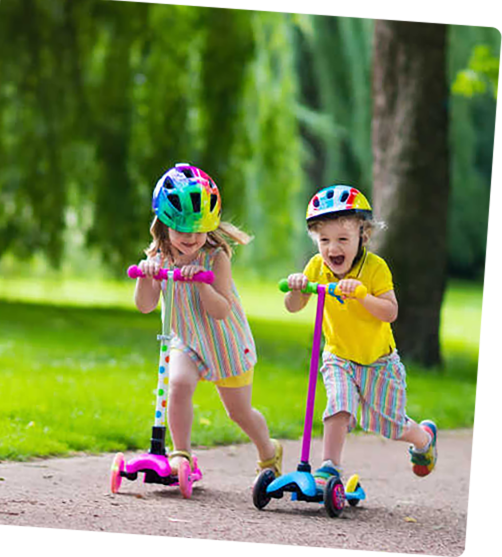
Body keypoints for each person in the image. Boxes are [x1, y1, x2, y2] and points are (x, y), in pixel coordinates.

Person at [134, 163, 282, 478]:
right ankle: (181, 454)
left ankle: (269, 451)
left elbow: (221, 310)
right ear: (164, 224)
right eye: (182, 229)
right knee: (178, 384)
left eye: (198, 229)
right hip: (187, 340)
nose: (191, 237)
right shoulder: (158, 257)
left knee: (239, 413)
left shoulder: (215, 257)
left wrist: (201, 282)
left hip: (225, 343)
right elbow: (145, 306)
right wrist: (145, 277)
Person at [284, 184, 437, 488]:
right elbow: (293, 307)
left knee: (390, 424)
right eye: (324, 240)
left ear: (362, 236)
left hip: (378, 361)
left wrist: (363, 296)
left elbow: (390, 311)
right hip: (338, 355)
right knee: (338, 404)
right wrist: (297, 288)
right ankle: (330, 466)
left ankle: (423, 438)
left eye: (342, 239)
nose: (332, 248)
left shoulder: (375, 268)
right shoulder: (317, 267)